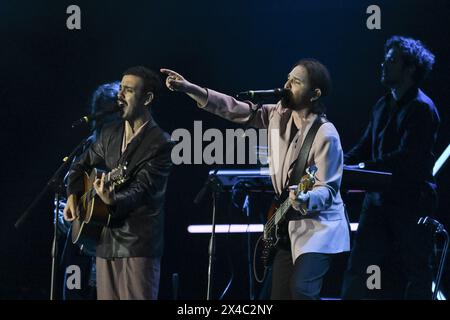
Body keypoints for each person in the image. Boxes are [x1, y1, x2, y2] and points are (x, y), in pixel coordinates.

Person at [161, 58, 350, 300]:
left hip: (319, 227)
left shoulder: (326, 134)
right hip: (288, 227)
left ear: (315, 94)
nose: (286, 85)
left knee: (301, 290)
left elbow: (328, 189)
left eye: (296, 81)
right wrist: (190, 88)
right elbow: (232, 108)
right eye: (288, 78)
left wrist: (306, 198)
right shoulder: (278, 115)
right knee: (277, 296)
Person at [341, 36, 440, 300]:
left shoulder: (422, 109)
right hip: (377, 202)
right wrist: (337, 165)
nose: (384, 64)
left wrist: (362, 168)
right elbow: (364, 145)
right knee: (359, 268)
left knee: (415, 272)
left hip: (411, 204)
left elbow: (406, 159)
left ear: (411, 68)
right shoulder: (382, 104)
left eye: (392, 60)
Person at [63, 66, 174, 300]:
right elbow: (78, 166)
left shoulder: (161, 142)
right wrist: (73, 196)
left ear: (148, 98)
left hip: (138, 244)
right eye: (120, 89)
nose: (120, 95)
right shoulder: (109, 134)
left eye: (129, 90)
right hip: (105, 242)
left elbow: (142, 191)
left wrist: (113, 200)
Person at [57, 81, 120, 300]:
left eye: (110, 112)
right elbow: (67, 186)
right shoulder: (88, 147)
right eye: (100, 113)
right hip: (78, 253)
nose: (104, 119)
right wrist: (65, 210)